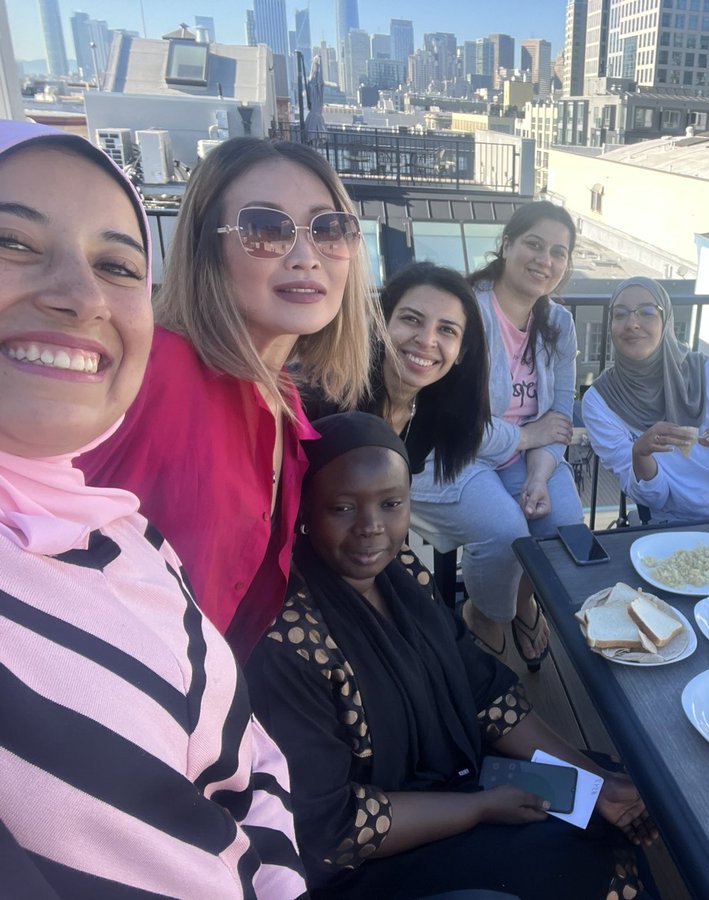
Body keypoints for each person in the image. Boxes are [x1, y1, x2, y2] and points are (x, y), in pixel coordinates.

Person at [0, 120, 305, 897]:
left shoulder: (113, 528)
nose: (78, 294)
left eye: (115, 264)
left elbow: (235, 737)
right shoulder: (164, 374)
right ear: (204, 248)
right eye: (13, 242)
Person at [244, 412, 656, 899]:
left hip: (457, 777)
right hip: (373, 856)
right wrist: (479, 809)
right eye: (341, 508)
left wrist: (596, 780)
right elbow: (331, 827)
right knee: (575, 859)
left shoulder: (402, 576)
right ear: (305, 511)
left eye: (391, 503)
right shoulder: (289, 641)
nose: (371, 527)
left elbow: (484, 692)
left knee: (611, 795)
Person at [78, 137, 384, 660]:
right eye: (267, 229)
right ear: (208, 247)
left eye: (329, 229)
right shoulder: (151, 368)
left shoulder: (281, 396)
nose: (306, 257)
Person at [408, 202, 584, 669]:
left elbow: (560, 411)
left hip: (526, 456)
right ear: (506, 244)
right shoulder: (465, 310)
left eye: (558, 252)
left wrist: (541, 474)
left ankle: (522, 604)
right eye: (533, 243)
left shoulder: (559, 324)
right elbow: (447, 418)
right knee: (505, 530)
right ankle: (485, 614)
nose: (544, 259)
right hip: (452, 454)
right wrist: (526, 438)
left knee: (565, 528)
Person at [582, 277, 709, 523]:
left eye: (647, 312)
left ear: (666, 322)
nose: (632, 323)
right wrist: (640, 454)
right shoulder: (601, 403)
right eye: (620, 314)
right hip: (676, 525)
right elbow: (654, 499)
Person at [305, 261, 490, 483]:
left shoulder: (432, 414)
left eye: (447, 330)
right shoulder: (322, 396)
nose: (426, 340)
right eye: (411, 319)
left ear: (461, 352)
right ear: (382, 325)